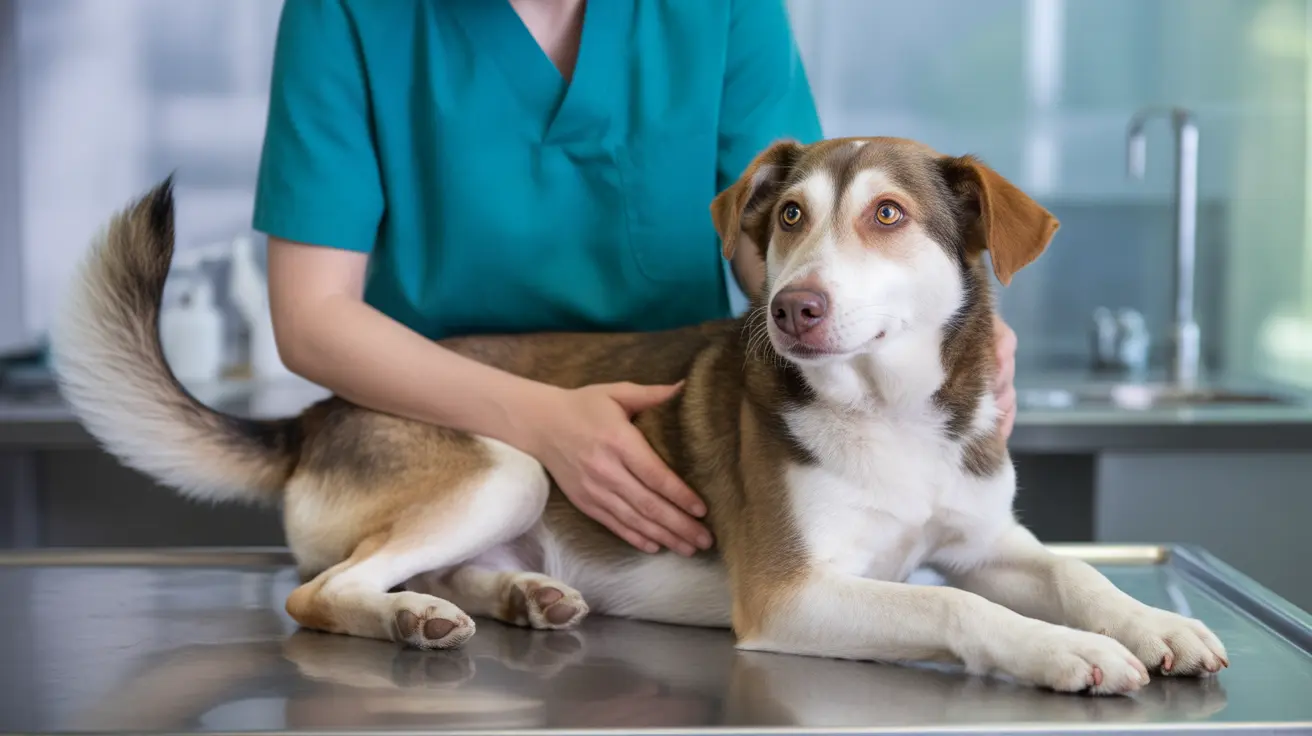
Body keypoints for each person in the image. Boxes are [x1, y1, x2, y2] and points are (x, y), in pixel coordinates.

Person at [252, 0, 1020, 560]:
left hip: (672, 446)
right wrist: (542, 420)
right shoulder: (347, 13)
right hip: (437, 433)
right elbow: (312, 317)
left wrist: (921, 323)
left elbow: (783, 243)